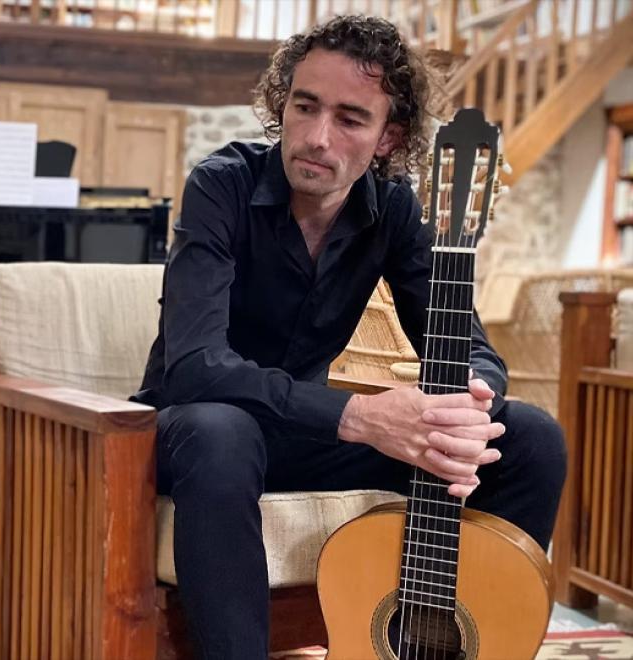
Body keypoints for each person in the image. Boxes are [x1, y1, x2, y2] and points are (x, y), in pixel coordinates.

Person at [133, 14, 566, 660]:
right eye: (304, 107)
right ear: (283, 102)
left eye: (350, 119)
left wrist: (472, 403)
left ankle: (468, 641)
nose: (316, 137)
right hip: (190, 434)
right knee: (223, 430)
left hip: (303, 436)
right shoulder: (220, 186)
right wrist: (360, 415)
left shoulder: (393, 208)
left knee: (530, 437)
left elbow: (475, 347)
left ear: (389, 136)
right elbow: (197, 367)